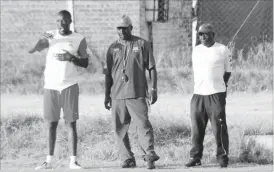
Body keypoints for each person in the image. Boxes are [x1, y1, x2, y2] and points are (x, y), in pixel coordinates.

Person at [28, 10, 89, 170]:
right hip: (51, 86)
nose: (61, 24)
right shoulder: (50, 36)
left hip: (69, 85)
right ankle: (48, 161)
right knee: (51, 124)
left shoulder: (79, 39)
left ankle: (73, 161)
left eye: (64, 21)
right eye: (58, 21)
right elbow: (32, 50)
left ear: (70, 21)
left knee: (71, 124)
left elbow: (85, 63)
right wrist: (40, 40)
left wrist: (72, 58)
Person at [103, 14, 160, 169]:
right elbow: (108, 74)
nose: (121, 31)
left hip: (137, 92)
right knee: (119, 128)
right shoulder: (112, 48)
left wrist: (154, 89)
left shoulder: (142, 44)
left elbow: (152, 68)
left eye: (124, 28)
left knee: (143, 124)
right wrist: (106, 95)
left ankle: (149, 155)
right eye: (118, 28)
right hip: (117, 94)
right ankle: (127, 158)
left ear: (131, 28)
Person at [185, 23, 232, 168]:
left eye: (206, 34)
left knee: (219, 127)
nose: (202, 37)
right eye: (200, 34)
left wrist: (220, 87)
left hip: (215, 94)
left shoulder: (222, 49)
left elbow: (228, 72)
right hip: (198, 94)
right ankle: (196, 157)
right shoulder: (196, 50)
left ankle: (222, 156)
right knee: (196, 128)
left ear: (213, 34)